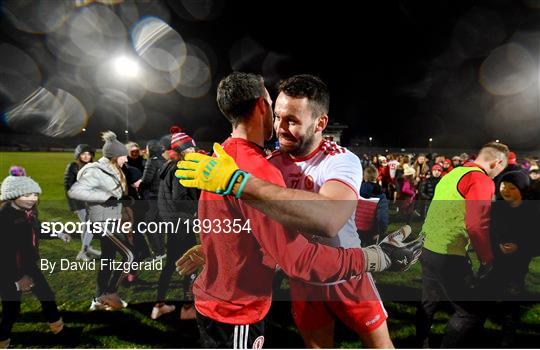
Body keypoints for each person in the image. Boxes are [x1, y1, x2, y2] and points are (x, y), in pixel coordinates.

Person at [175, 72, 422, 348]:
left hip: (347, 275)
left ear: (321, 123)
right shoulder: (263, 163)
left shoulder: (340, 160)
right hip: (301, 278)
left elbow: (329, 219)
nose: (280, 127)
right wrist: (219, 248)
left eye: (291, 120)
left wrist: (240, 183)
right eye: (278, 115)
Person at [415, 141, 509, 348]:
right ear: (497, 162)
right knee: (471, 312)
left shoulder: (453, 174)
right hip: (448, 253)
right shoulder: (481, 180)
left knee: (428, 301)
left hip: (428, 245)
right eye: (502, 168)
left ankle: (420, 343)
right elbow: (477, 224)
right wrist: (486, 259)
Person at [0, 175, 71, 348]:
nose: (33, 199)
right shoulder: (5, 217)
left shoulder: (27, 212)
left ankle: (58, 328)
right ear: (13, 195)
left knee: (46, 295)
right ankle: (2, 341)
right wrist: (18, 278)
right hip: (9, 270)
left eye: (35, 194)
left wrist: (58, 233)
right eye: (27, 195)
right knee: (12, 309)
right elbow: (4, 253)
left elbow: (37, 227)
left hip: (27, 265)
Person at [68, 131, 133, 311]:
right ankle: (109, 294)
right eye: (123, 157)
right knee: (131, 254)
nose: (126, 160)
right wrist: (105, 197)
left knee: (108, 260)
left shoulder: (114, 169)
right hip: (102, 224)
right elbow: (76, 192)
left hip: (112, 222)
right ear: (113, 157)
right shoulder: (94, 170)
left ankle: (98, 300)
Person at [151, 127, 199, 320]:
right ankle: (188, 308)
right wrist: (201, 201)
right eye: (191, 148)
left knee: (171, 265)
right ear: (183, 150)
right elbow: (181, 199)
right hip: (182, 223)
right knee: (190, 264)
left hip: (173, 223)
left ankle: (159, 305)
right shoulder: (180, 168)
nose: (194, 151)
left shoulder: (169, 166)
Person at [488, 171, 540, 346]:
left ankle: (507, 335)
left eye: (512, 187)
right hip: (495, 260)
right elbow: (489, 232)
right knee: (489, 291)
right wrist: (497, 245)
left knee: (512, 295)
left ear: (522, 189)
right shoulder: (496, 209)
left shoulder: (532, 211)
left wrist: (520, 247)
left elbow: (536, 240)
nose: (506, 190)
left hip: (518, 264)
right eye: (503, 186)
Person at [63, 144, 101, 262]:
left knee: (86, 225)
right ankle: (82, 252)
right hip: (79, 202)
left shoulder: (92, 166)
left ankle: (87, 248)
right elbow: (68, 187)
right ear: (78, 155)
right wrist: (73, 205)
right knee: (90, 225)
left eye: (89, 154)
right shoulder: (73, 166)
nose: (86, 156)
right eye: (83, 154)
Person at [140, 140, 166, 260]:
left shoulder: (152, 161)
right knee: (159, 225)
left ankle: (158, 252)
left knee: (148, 225)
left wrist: (139, 186)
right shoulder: (164, 160)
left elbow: (146, 180)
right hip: (163, 198)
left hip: (153, 198)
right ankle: (161, 251)